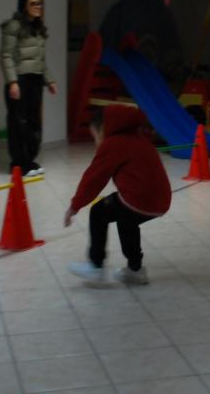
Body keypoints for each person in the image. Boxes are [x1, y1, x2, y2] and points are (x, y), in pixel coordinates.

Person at [64, 104, 172, 286]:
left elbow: (93, 179)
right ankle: (135, 271)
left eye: (95, 137)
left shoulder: (113, 143)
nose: (96, 142)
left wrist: (74, 206)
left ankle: (95, 267)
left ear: (103, 128)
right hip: (161, 200)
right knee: (126, 218)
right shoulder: (138, 137)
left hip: (139, 198)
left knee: (98, 212)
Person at [0, 0, 56, 176]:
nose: (38, 6)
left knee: (33, 121)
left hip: (35, 79)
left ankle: (29, 161)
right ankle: (18, 164)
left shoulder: (38, 28)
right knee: (18, 122)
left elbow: (41, 60)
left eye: (39, 3)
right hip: (20, 80)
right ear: (24, 6)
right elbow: (6, 55)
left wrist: (49, 80)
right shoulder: (13, 26)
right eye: (33, 3)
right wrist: (12, 82)